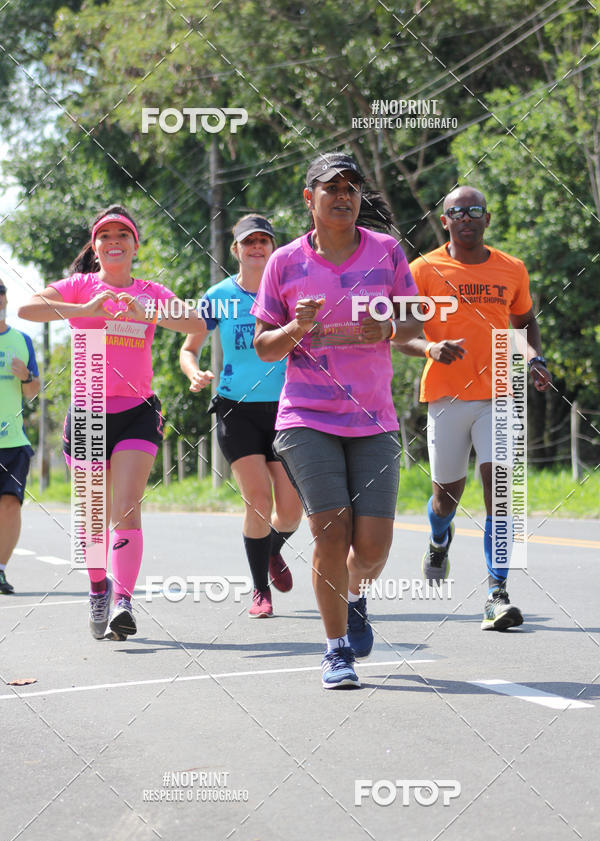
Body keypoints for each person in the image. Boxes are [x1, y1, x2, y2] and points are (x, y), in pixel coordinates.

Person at [252, 152, 422, 689]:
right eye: (332, 188)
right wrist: (293, 332)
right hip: (306, 416)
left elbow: (414, 318)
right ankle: (335, 649)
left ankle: (355, 594)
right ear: (311, 199)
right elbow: (263, 348)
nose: (343, 195)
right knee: (330, 529)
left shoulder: (388, 252)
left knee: (372, 548)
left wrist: (389, 330)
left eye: (351, 187)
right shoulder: (284, 262)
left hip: (374, 418)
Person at [19, 205, 204, 639]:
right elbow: (28, 310)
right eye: (106, 235)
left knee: (126, 507)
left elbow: (197, 322)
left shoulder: (151, 292)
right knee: (91, 516)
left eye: (124, 234)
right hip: (86, 412)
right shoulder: (80, 286)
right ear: (96, 246)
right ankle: (98, 587)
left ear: (135, 245)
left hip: (138, 411)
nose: (114, 241)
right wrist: (87, 307)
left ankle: (123, 601)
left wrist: (150, 314)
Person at [398, 185, 551, 631]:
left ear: (487, 218)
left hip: (499, 393)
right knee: (446, 497)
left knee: (500, 495)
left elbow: (523, 322)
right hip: (445, 397)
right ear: (444, 221)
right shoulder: (423, 269)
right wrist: (429, 348)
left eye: (474, 210)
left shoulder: (511, 269)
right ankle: (439, 537)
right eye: (456, 212)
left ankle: (496, 592)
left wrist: (533, 358)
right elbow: (401, 333)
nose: (466, 217)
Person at [179, 215, 302, 617]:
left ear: (273, 248)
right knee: (258, 502)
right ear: (236, 250)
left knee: (291, 509)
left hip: (285, 408)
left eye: (264, 241)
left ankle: (270, 551)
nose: (256, 247)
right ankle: (259, 590)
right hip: (235, 408)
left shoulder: (288, 292)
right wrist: (194, 371)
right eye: (248, 242)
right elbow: (189, 347)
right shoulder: (219, 296)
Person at [0, 279, 40, 594]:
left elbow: (33, 393)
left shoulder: (22, 341)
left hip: (12, 441)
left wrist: (25, 375)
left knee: (11, 505)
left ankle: (0, 570)